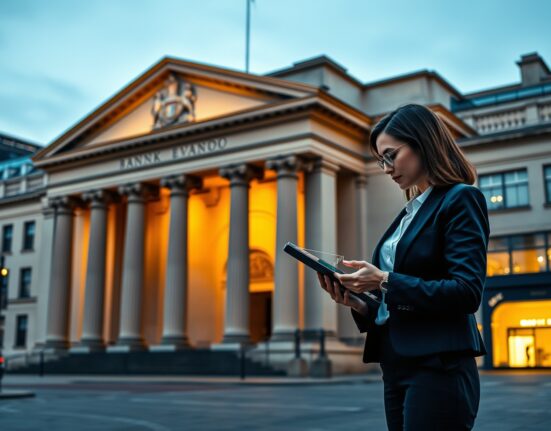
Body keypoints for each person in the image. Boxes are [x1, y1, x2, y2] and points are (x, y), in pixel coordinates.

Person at [317, 103, 489, 430]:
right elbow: (398, 301)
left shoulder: (460, 199)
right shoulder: (409, 214)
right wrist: (360, 303)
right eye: (381, 160)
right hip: (395, 367)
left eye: (391, 155)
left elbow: (466, 292)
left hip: (438, 367)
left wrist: (382, 280)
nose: (386, 168)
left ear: (422, 142)